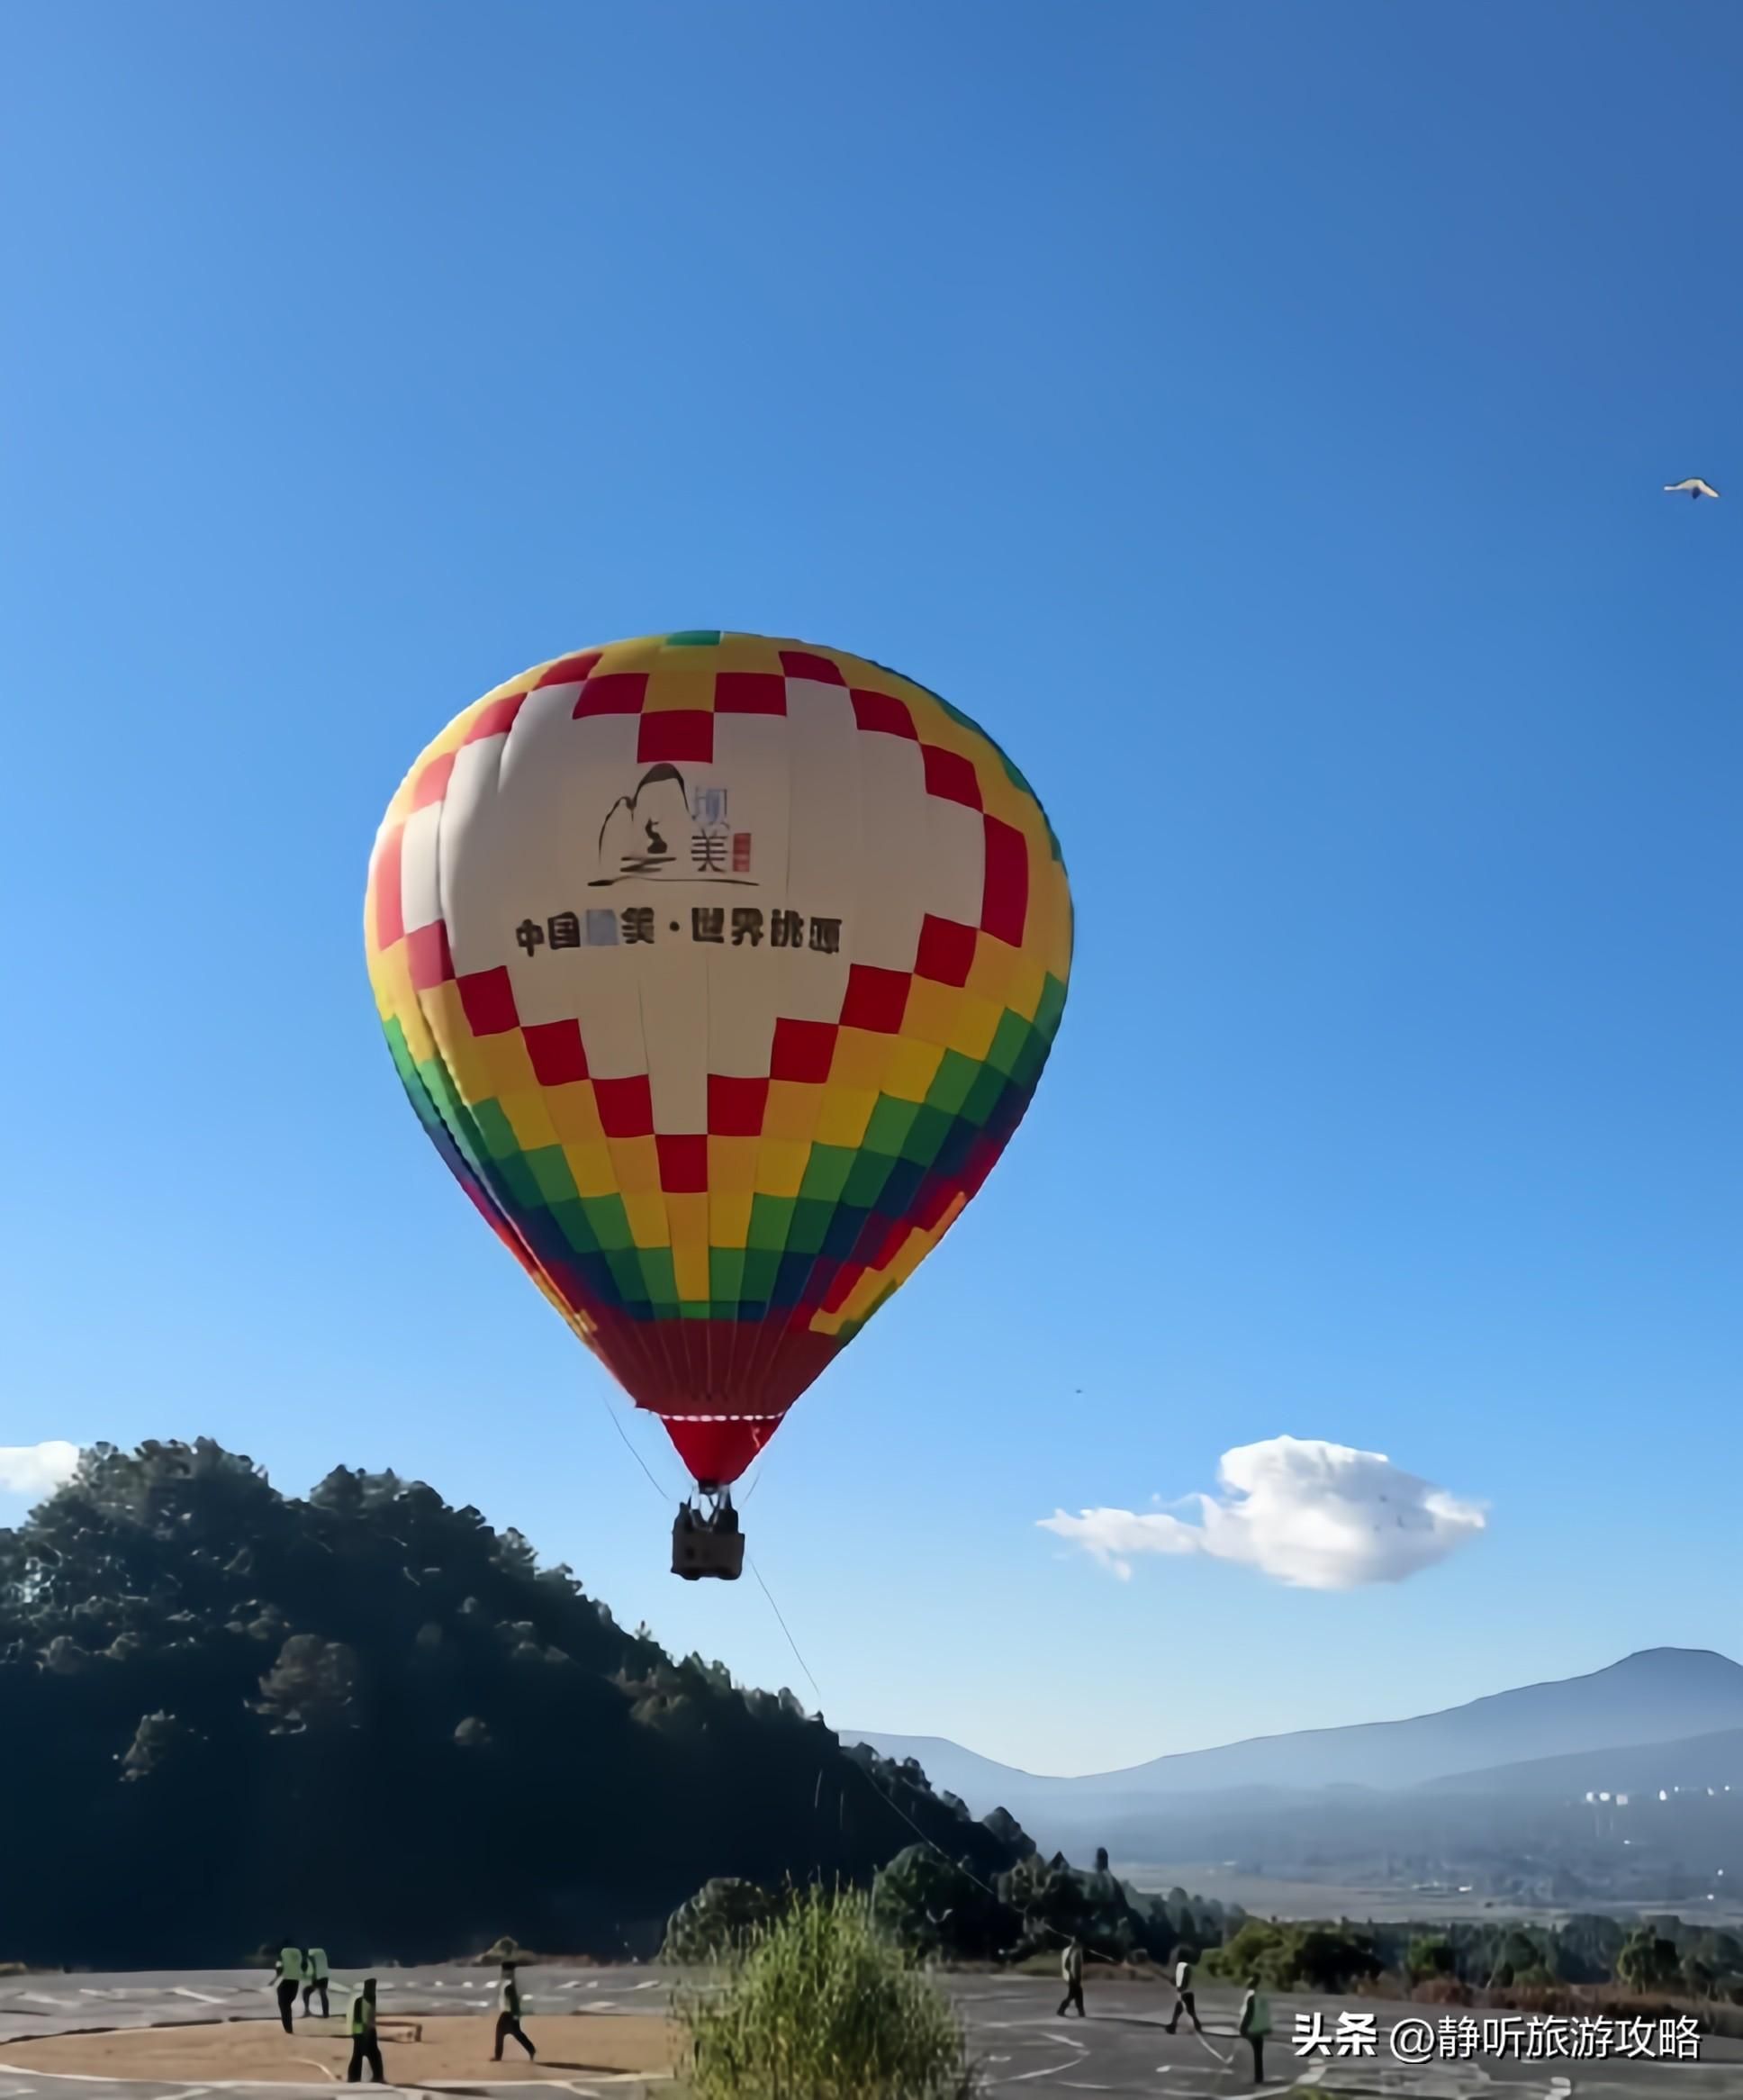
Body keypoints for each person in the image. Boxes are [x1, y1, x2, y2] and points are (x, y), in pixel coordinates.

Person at [493, 1962, 536, 2061]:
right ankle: (531, 2049)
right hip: (511, 2014)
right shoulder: (510, 1982)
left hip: (508, 2014)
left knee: (501, 2033)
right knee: (517, 2034)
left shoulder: (508, 1984)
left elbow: (513, 2001)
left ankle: (498, 2057)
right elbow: (515, 2000)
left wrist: (515, 2015)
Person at [1237, 1972, 1273, 2085]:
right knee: (1258, 2053)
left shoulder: (1251, 1995)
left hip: (1252, 2027)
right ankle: (1259, 2077)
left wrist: (1243, 2027)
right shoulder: (1259, 1995)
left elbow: (1249, 2013)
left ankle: (1258, 2077)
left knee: (1256, 2052)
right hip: (1259, 2027)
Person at [347, 1978, 384, 2084]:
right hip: (361, 2032)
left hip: (370, 2031)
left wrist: (372, 2030)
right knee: (359, 2055)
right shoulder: (360, 2001)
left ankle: (377, 2077)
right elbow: (357, 2020)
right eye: (370, 1987)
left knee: (374, 2055)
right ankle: (354, 2078)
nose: (372, 1990)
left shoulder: (371, 1999)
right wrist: (358, 2035)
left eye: (373, 1987)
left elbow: (370, 2017)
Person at [1163, 1948, 1202, 2034]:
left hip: (1185, 1992)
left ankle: (1173, 2027)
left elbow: (1185, 1979)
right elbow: (1179, 1979)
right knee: (1188, 2011)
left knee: (1183, 2010)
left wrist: (1181, 1988)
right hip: (1186, 1992)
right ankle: (1197, 2025)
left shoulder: (1184, 1966)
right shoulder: (1183, 1966)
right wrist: (1174, 1981)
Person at [273, 1942, 303, 2033]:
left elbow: (279, 1967)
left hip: (284, 1981)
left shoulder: (282, 1952)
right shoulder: (298, 1953)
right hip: (295, 1982)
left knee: (283, 2005)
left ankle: (288, 2029)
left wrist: (276, 1978)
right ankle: (289, 2028)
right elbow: (303, 1966)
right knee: (288, 2005)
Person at [1056, 1936, 1085, 2019]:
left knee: (1078, 1994)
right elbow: (1069, 1965)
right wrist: (1073, 1976)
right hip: (1073, 1977)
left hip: (1072, 1977)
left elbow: (1067, 1965)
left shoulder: (1073, 1950)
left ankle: (1081, 2011)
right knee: (1073, 1995)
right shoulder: (1074, 1951)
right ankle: (1061, 2009)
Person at [302, 1946, 330, 2019]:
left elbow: (312, 1964)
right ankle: (326, 2014)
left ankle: (307, 2011)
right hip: (324, 1976)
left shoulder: (311, 1953)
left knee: (307, 1992)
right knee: (322, 1993)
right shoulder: (321, 1951)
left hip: (318, 1976)